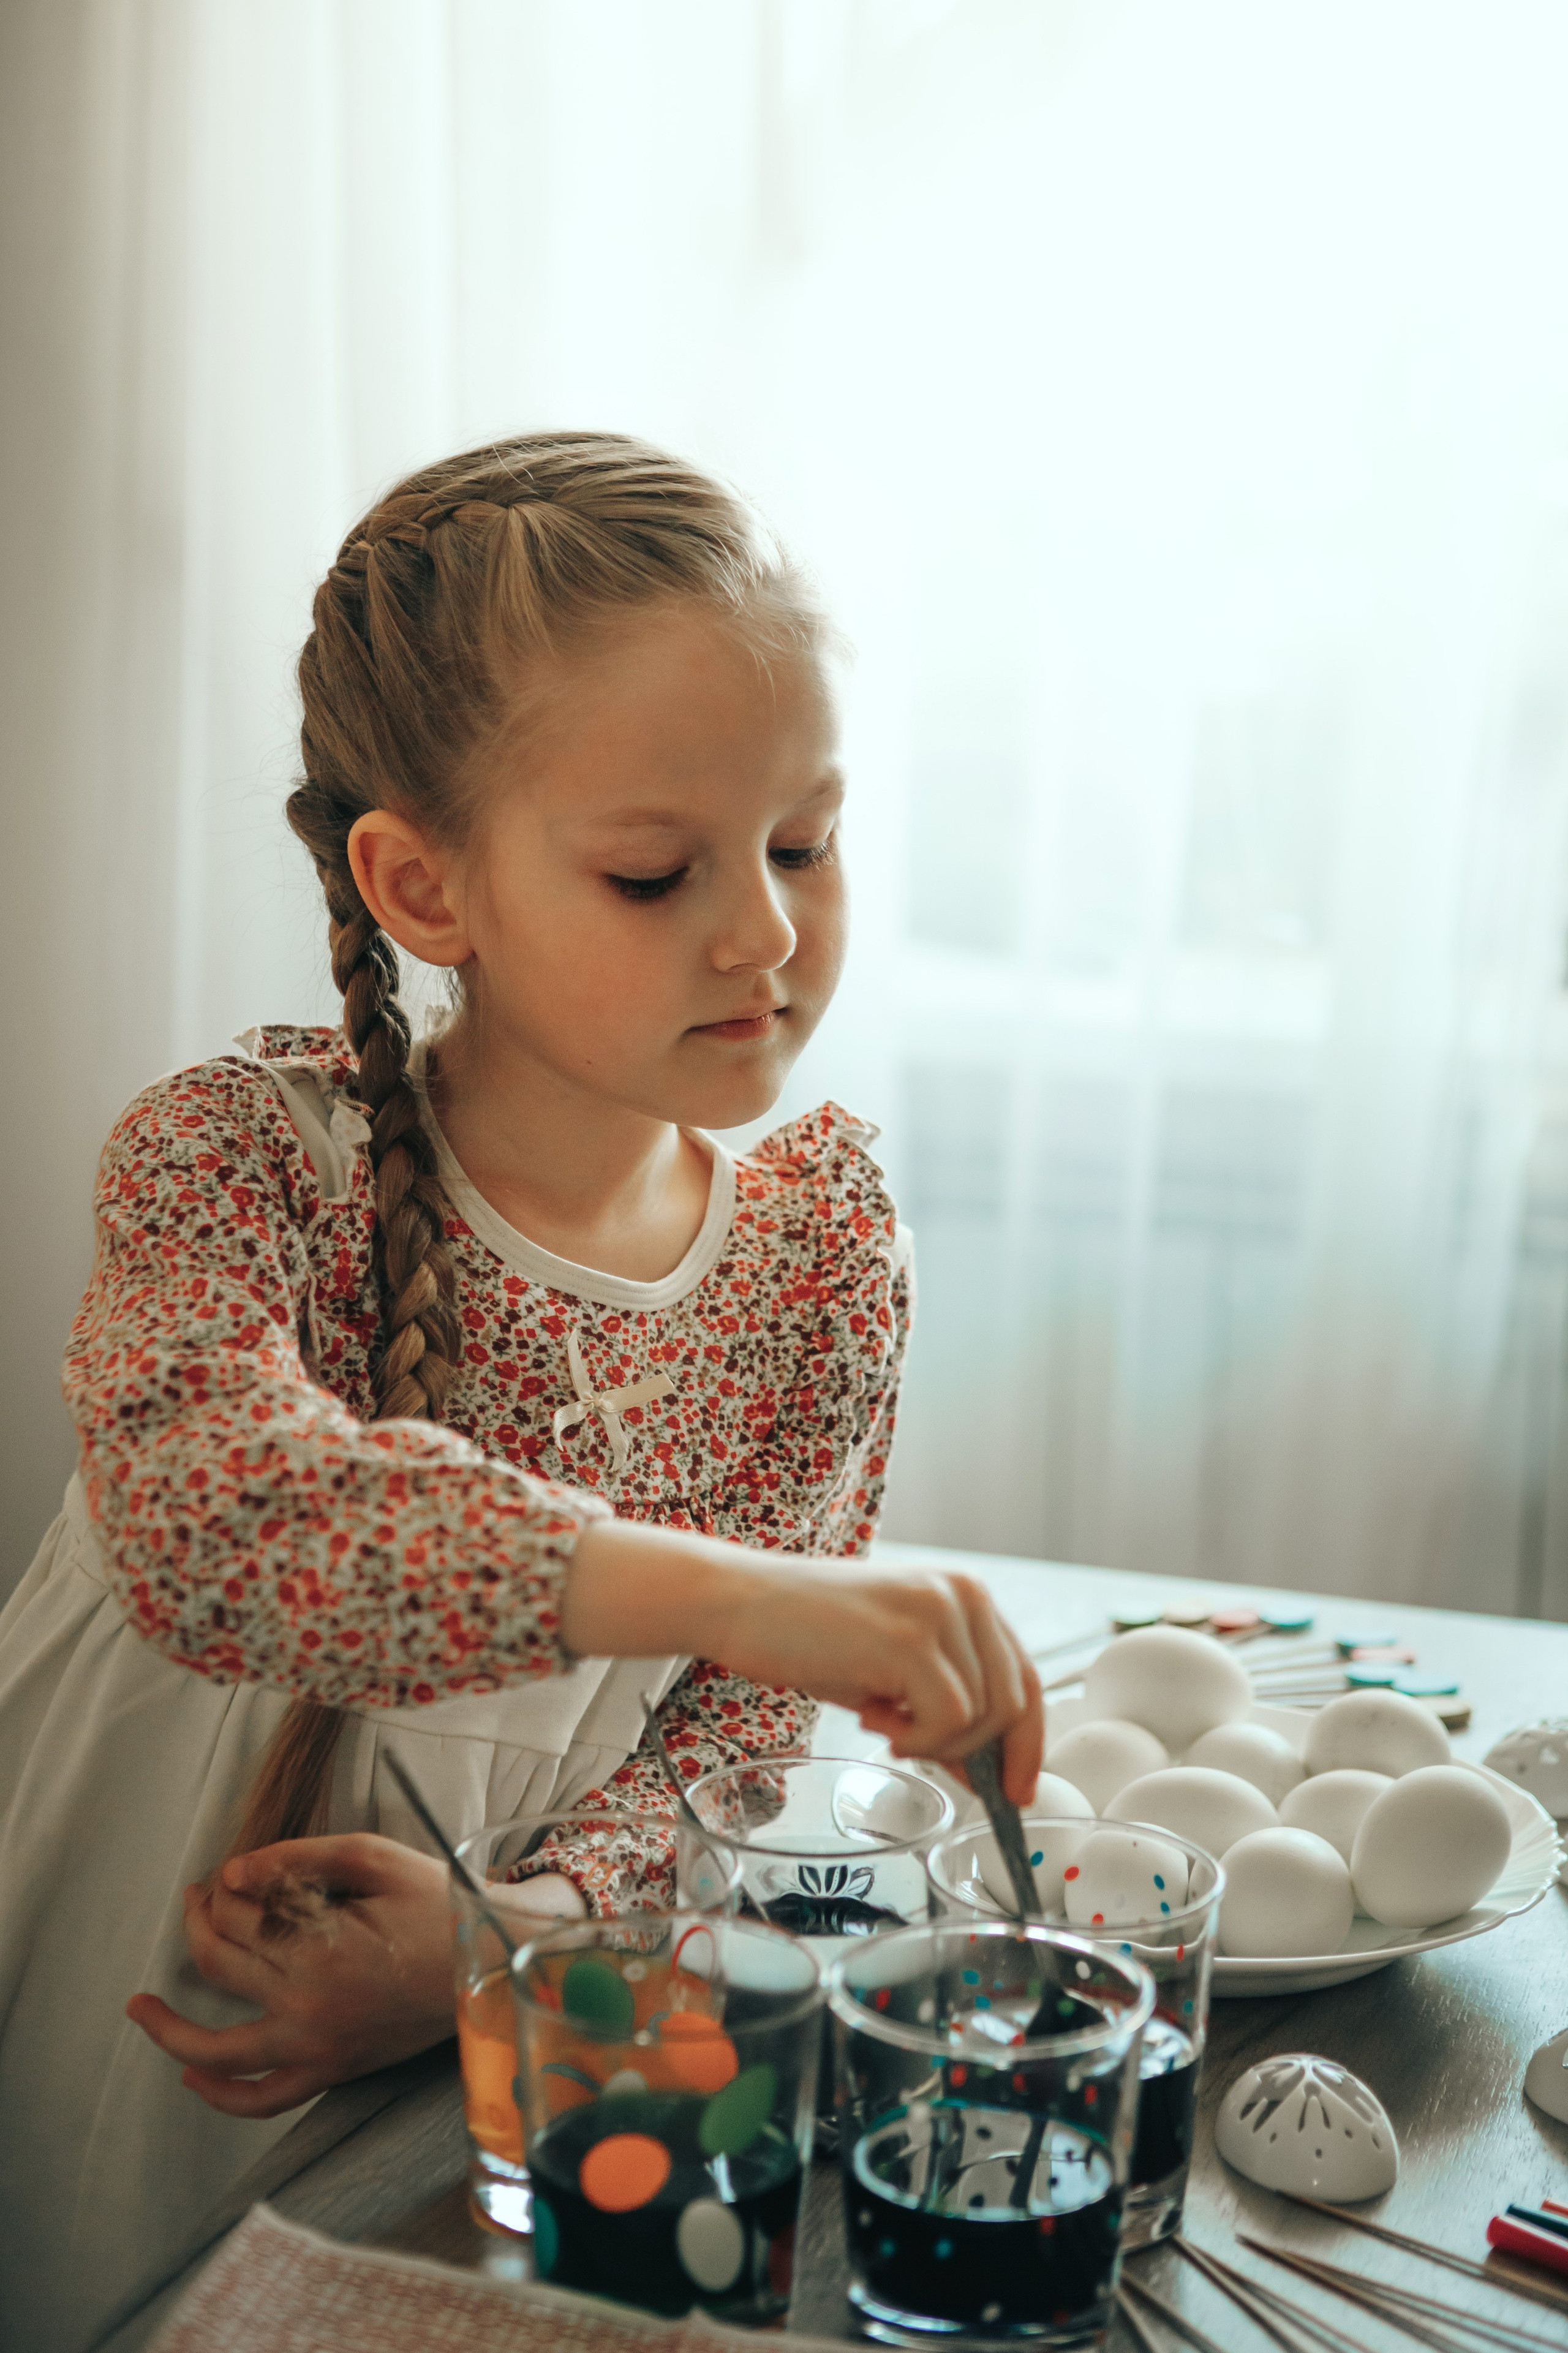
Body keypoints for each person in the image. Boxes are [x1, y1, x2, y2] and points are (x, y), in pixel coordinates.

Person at [0, 432, 1041, 2351]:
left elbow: (721, 1752)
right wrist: (738, 1588)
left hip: (489, 2048)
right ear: (423, 884)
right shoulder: (237, 1162)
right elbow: (209, 1517)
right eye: (655, 870)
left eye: (804, 841)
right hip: (121, 2033)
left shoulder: (819, 1260)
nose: (768, 933)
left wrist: (493, 1939)